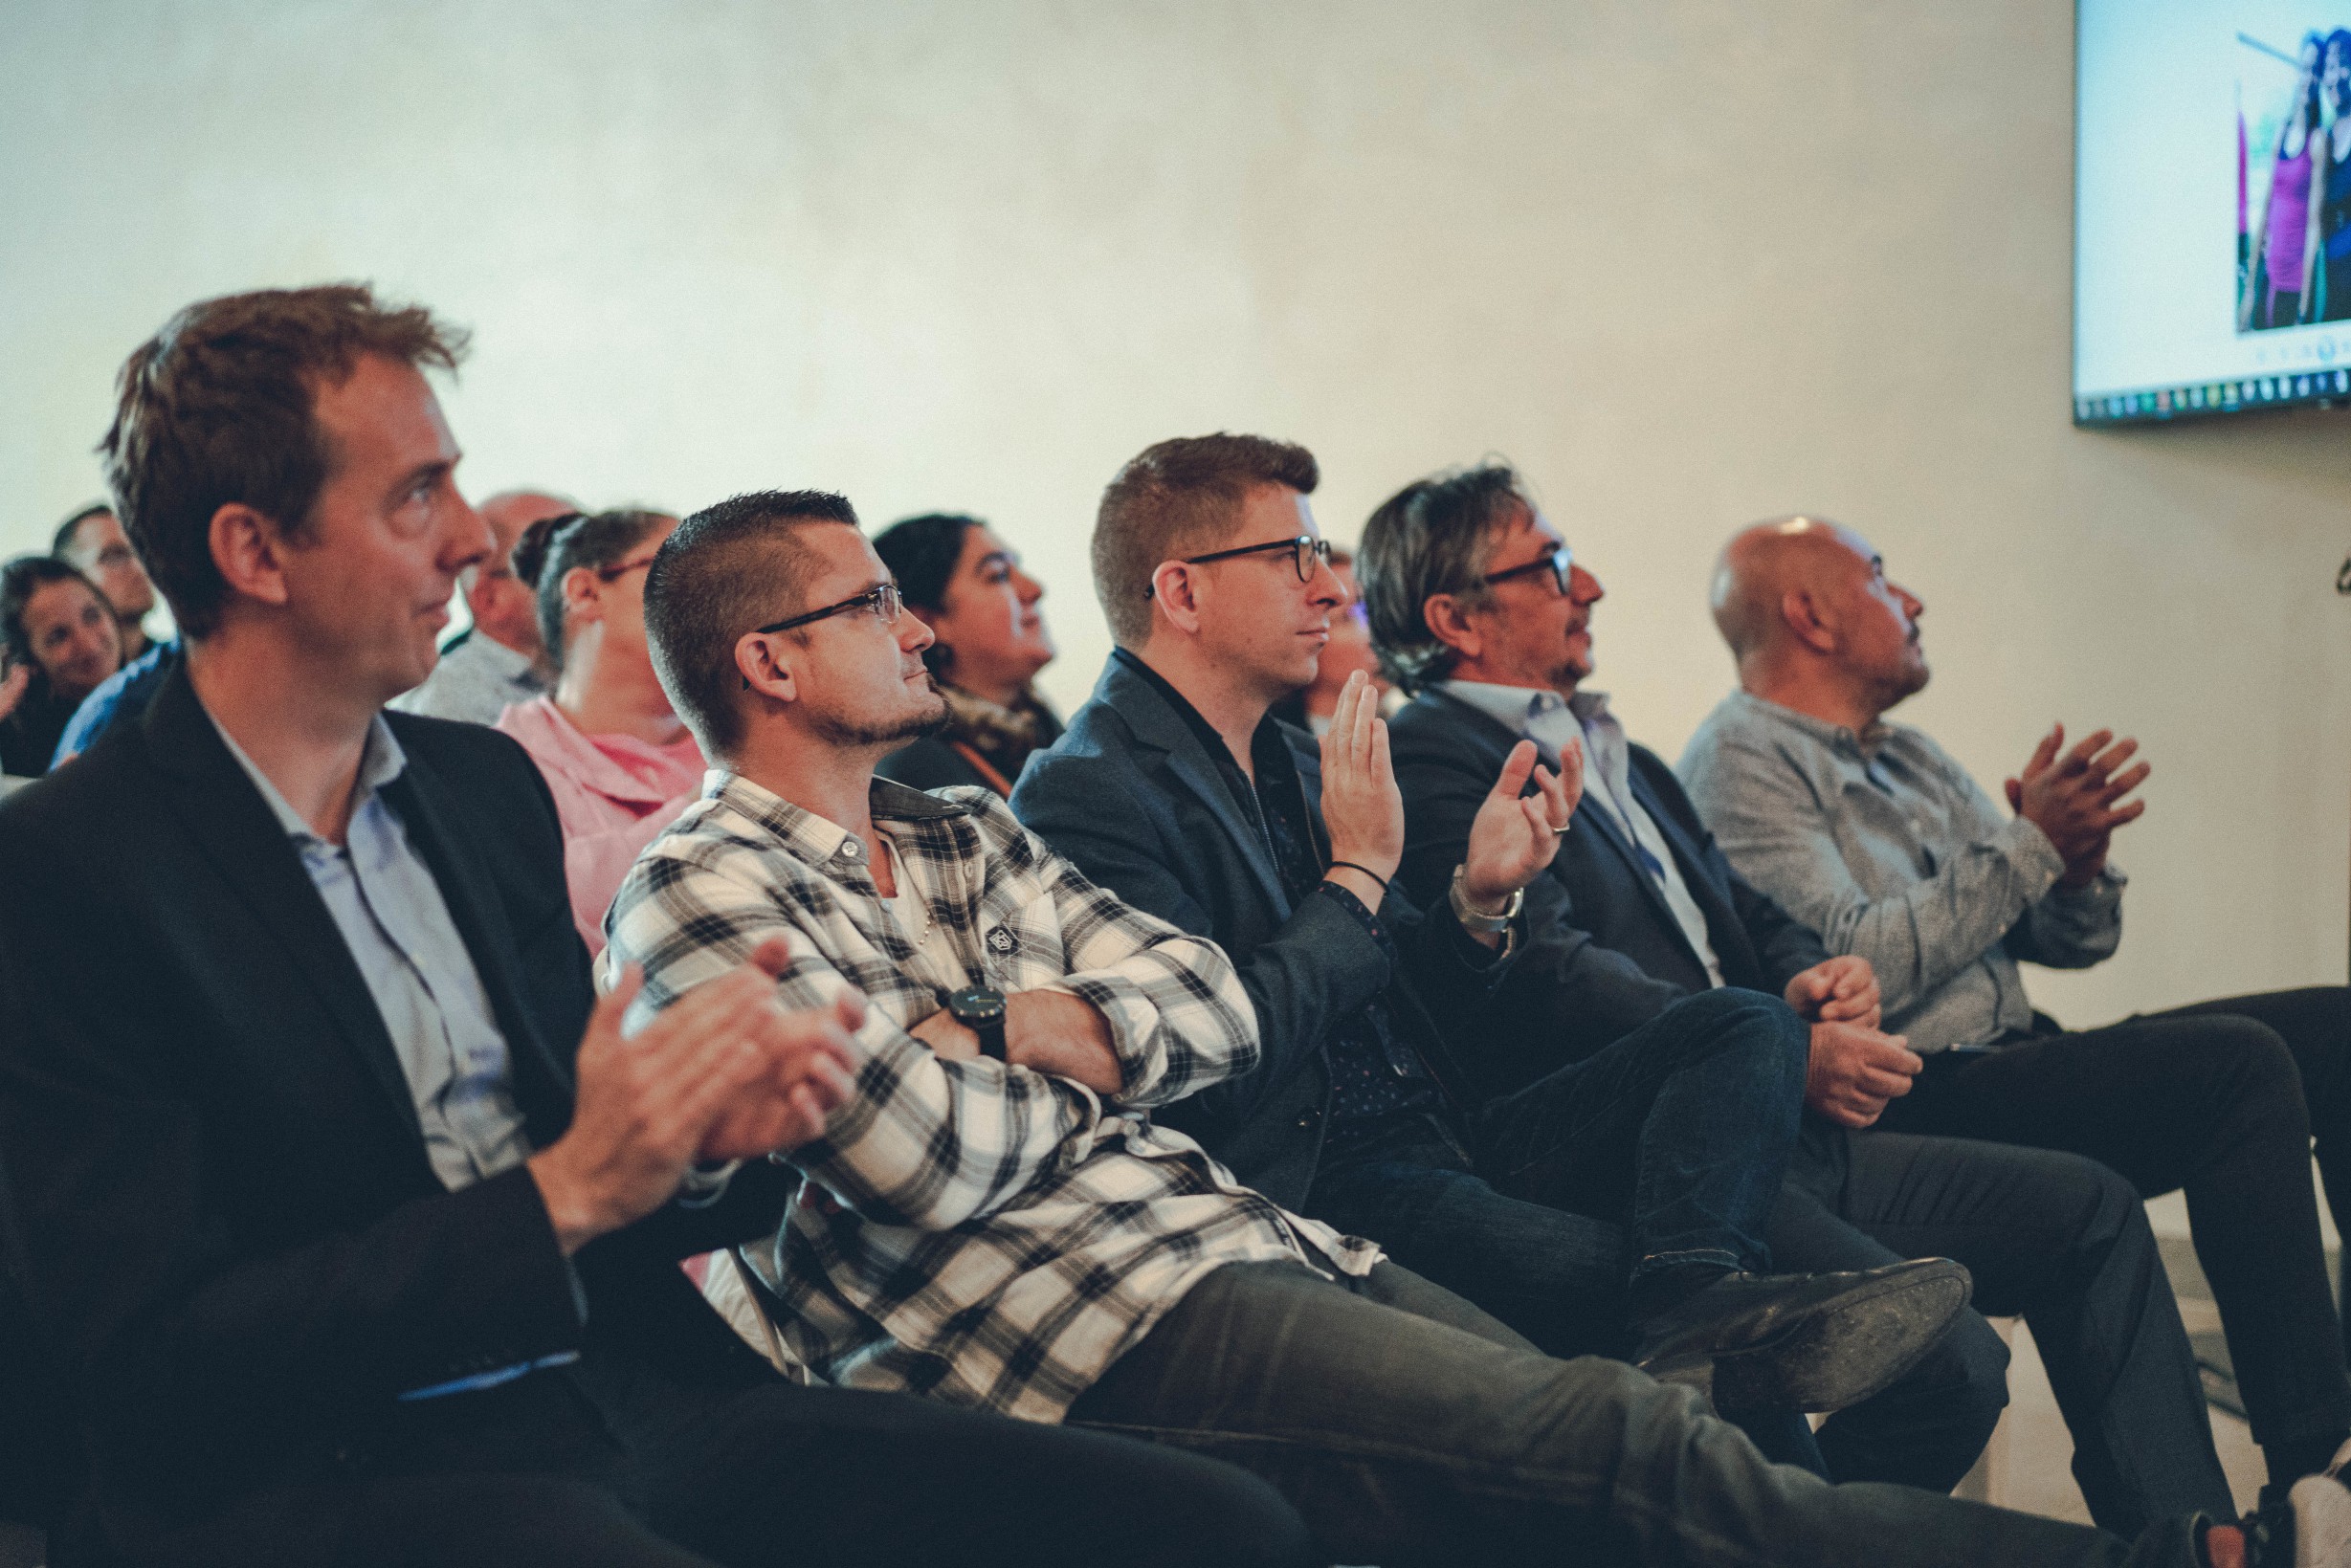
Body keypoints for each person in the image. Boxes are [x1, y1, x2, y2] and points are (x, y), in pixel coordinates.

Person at [603, 483, 2350, 1568]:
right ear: (765, 660)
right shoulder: (712, 882)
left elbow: (1203, 999)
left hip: (1233, 1223)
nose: (913, 625)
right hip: (1099, 1302)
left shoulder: (964, 826)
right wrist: (1074, 1031)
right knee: (1629, 1447)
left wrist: (995, 1019)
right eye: (866, 606)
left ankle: (1701, 1292)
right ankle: (2169, 1553)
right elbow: (931, 1156)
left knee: (1630, 1428)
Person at [0, 282, 1322, 1568]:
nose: (471, 539)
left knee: (1223, 1527)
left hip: (620, 1390)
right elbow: (148, 1368)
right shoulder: (74, 866)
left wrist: (699, 1145)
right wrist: (563, 1194)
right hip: (339, 1461)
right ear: (253, 550)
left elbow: (616, 1179)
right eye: (417, 494)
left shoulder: (474, 792)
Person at [1012, 433, 1964, 1464]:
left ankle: (1698, 1293)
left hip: (1455, 1131)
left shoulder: (1294, 754)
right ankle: (1706, 1323)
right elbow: (1213, 1061)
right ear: (1182, 593)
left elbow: (1410, 994)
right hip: (1328, 1180)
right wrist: (1358, 877)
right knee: (1729, 1360)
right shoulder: (1087, 789)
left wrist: (1478, 901)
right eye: (1295, 557)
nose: (1333, 590)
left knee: (1747, 1023)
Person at [1361, 463, 2242, 1537]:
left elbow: (1744, 912)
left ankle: (2205, 1541)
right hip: (1650, 1138)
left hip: (1774, 1106)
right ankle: (1789, 1531)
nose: (1586, 582)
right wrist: (1773, 1034)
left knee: (2092, 1210)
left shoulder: (1613, 747)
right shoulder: (1432, 753)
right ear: (1455, 617)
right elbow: (1546, 973)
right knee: (1952, 1365)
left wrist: (1809, 983)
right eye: (1547, 565)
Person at [1681, 514, 2351, 1501]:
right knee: (2236, 1066)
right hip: (1914, 1093)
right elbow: (1850, 961)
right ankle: (2317, 1466)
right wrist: (2031, 844)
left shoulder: (1908, 755)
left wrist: (2073, 872)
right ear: (1811, 614)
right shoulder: (1741, 761)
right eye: (1879, 577)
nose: (1910, 600)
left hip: (2018, 1059)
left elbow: (2068, 943)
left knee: (2337, 1030)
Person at [494, 507, 704, 955]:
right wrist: (708, 805)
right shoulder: (505, 764)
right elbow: (543, 913)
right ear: (587, 592)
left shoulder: (747, 735)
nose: (720, 599)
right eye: (688, 568)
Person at [871, 512, 1061, 795]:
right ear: (930, 623)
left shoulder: (1042, 731)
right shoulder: (915, 773)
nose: (1033, 589)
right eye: (998, 575)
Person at [390, 488, 575, 723]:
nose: (588, 581)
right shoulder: (451, 704)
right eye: (559, 567)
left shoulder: (582, 676)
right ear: (490, 599)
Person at [0, 556, 122, 776]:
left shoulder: (164, 684)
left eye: (92, 615)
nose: (89, 644)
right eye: (58, 636)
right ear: (28, 661)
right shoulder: (17, 750)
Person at [1267, 547, 1389, 735]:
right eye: (1350, 616)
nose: (1378, 635)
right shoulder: (1272, 749)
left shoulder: (1411, 735)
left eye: (1373, 613)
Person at [51, 501, 158, 661]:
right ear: (73, 580)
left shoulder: (191, 668)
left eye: (140, 550)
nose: (140, 567)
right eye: (114, 556)